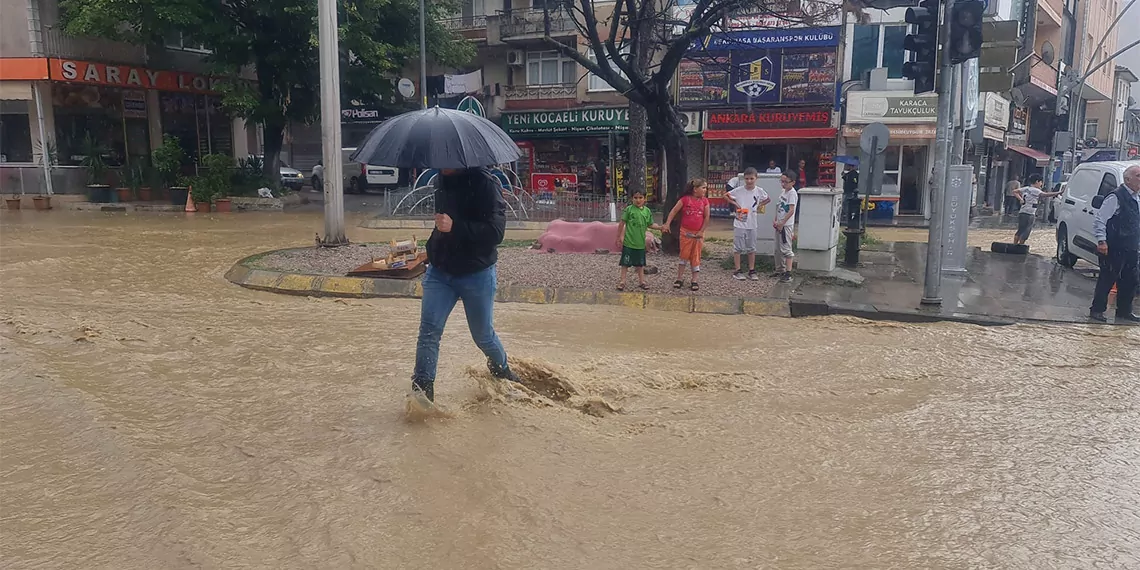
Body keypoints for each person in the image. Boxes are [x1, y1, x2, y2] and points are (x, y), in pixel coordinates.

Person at [409, 167, 519, 411]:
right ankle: (421, 396)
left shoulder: (487, 184)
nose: (441, 163)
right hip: (440, 272)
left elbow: (496, 233)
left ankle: (502, 373)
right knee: (428, 332)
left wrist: (455, 227)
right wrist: (430, 250)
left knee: (483, 335)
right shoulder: (440, 180)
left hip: (476, 273)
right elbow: (441, 225)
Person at [1089, 164, 1140, 323]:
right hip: (1114, 246)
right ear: (1127, 179)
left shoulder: (1137, 197)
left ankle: (1124, 311)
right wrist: (1102, 241)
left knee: (1130, 279)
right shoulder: (1116, 196)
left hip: (1131, 246)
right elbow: (1100, 220)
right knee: (1107, 278)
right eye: (1138, 176)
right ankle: (1097, 310)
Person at [663, 178, 711, 291]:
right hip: (685, 233)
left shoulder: (705, 201)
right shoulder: (684, 200)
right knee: (683, 256)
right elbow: (673, 211)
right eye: (703, 187)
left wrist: (701, 231)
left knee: (696, 256)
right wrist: (667, 224)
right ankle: (679, 278)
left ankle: (694, 280)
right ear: (695, 189)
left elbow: (707, 217)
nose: (705, 190)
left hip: (698, 234)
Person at [726, 167, 770, 281]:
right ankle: (737, 270)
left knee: (751, 248)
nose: (749, 181)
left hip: (752, 222)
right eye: (747, 179)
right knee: (738, 247)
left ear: (756, 178)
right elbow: (726, 195)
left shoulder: (759, 191)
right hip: (740, 222)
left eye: (751, 178)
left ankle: (752, 269)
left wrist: (759, 205)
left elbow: (767, 199)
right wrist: (735, 204)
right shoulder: (739, 190)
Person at [615, 190, 662, 291]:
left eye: (640, 198)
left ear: (645, 199)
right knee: (625, 263)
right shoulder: (629, 210)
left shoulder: (647, 211)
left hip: (640, 243)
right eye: (635, 198)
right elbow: (622, 223)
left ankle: (642, 281)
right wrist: (619, 237)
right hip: (628, 242)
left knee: (640, 264)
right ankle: (622, 281)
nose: (638, 200)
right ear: (632, 199)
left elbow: (650, 224)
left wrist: (660, 228)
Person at [1011, 174, 1063, 245]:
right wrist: (1059, 193)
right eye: (1041, 182)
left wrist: (1020, 199)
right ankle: (1020, 246)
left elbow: (1014, 191)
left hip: (1022, 212)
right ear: (1037, 181)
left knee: (1020, 230)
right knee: (1026, 232)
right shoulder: (1036, 190)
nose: (1041, 184)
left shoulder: (1026, 188)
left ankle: (1014, 245)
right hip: (1030, 214)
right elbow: (1046, 195)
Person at [774, 171, 799, 283]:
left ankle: (788, 273)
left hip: (786, 225)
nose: (783, 184)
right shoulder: (783, 192)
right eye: (782, 181)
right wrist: (776, 219)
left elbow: (791, 210)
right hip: (779, 223)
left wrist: (782, 222)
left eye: (785, 182)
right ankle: (780, 270)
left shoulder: (792, 194)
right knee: (778, 249)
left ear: (792, 182)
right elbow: (779, 206)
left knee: (786, 249)